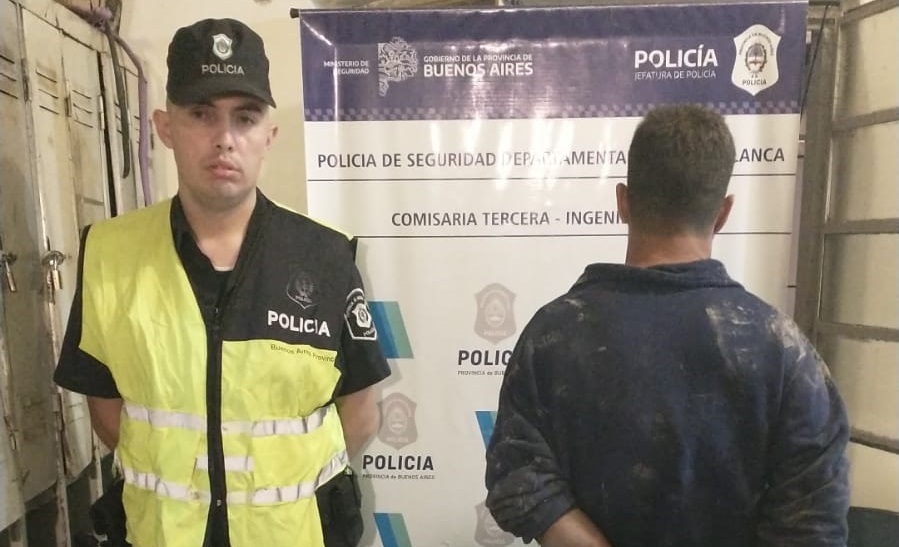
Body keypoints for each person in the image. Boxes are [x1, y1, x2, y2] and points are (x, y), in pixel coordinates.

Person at [54, 17, 390, 547]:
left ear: (268, 136)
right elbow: (106, 408)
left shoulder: (325, 256)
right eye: (201, 114)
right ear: (165, 127)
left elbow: (360, 413)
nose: (225, 139)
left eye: (245, 117)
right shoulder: (109, 254)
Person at [484, 104, 849, 547]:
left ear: (622, 202)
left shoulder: (552, 335)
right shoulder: (784, 351)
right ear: (723, 212)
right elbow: (813, 527)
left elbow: (517, 479)